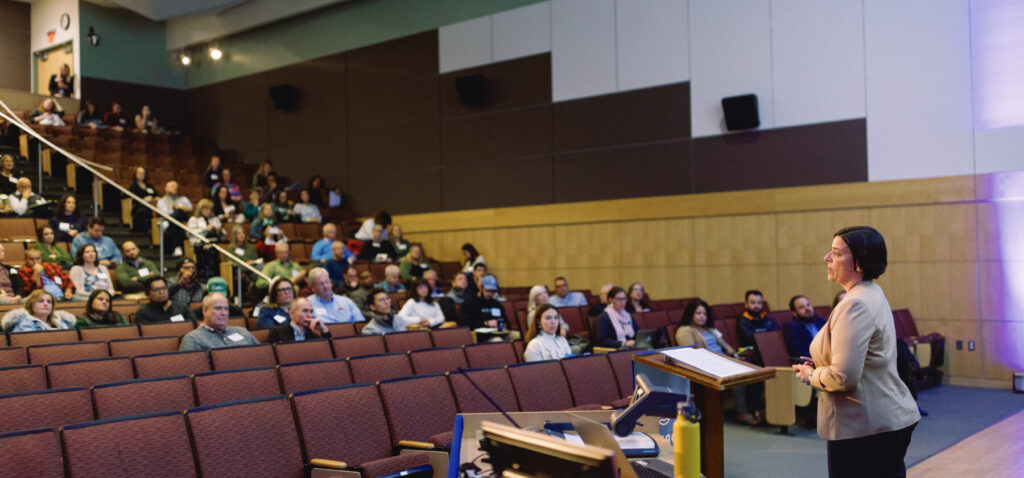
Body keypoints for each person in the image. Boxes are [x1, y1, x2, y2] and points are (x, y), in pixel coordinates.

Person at [793, 226, 919, 478]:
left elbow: (843, 377)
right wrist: (821, 362)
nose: (827, 258)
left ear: (859, 262)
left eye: (836, 253)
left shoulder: (855, 304)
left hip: (864, 426)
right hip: (881, 420)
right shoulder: (870, 292)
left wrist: (810, 375)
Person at [179, 293, 259, 351]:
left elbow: (262, 356)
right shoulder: (193, 339)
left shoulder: (242, 332)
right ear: (205, 311)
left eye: (226, 309)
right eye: (218, 308)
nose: (223, 313)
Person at [735, 289, 780, 361]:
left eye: (759, 303)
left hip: (769, 348)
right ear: (746, 304)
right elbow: (751, 340)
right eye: (753, 303)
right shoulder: (743, 321)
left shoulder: (766, 318)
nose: (756, 305)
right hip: (754, 351)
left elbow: (777, 335)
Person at [1, 290, 75, 332]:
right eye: (41, 301)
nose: (46, 304)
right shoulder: (24, 324)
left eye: (49, 302)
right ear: (31, 305)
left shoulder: (59, 321)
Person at [187, 199, 224, 281]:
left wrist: (219, 230)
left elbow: (223, 235)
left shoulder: (214, 219)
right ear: (200, 209)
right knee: (207, 253)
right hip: (200, 245)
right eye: (206, 209)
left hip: (215, 243)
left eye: (210, 209)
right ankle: (205, 277)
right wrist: (206, 229)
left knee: (216, 251)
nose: (208, 211)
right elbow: (191, 234)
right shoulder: (194, 220)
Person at [268, 297, 332, 343]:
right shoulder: (277, 332)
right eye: (305, 311)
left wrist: (324, 330)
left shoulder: (314, 336)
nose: (309, 315)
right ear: (292, 314)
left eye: (311, 311)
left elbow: (331, 352)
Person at [783, 295, 828, 359]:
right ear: (794, 313)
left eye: (808, 305)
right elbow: (800, 353)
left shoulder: (823, 322)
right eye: (802, 307)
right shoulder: (791, 327)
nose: (807, 308)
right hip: (812, 362)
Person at [156, 180, 193, 257]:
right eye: (172, 186)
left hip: (184, 219)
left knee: (178, 212)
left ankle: (167, 224)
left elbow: (190, 208)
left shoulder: (183, 199)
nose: (175, 188)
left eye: (176, 187)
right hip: (174, 221)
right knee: (174, 221)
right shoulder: (162, 201)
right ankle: (177, 247)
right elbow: (164, 213)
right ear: (166, 188)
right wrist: (180, 208)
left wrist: (177, 207)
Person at [126, 166, 157, 233]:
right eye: (139, 173)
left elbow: (156, 195)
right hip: (138, 206)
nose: (141, 175)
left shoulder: (149, 186)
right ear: (135, 174)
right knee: (144, 210)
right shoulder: (133, 186)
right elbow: (133, 199)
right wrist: (144, 200)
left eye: (143, 173)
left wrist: (154, 198)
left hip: (151, 206)